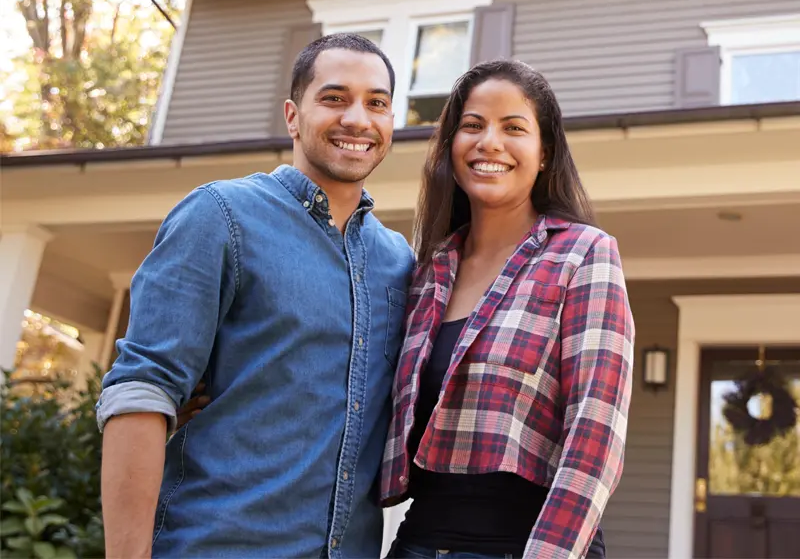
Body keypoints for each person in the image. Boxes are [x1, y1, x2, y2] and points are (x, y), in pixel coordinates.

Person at [96, 33, 415, 558]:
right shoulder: (220, 216)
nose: (358, 119)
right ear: (293, 116)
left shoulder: (398, 261)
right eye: (334, 98)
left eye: (376, 103)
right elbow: (142, 392)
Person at [379, 60, 634, 559]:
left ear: (544, 155)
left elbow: (595, 436)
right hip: (418, 542)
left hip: (526, 544)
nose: (489, 142)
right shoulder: (427, 272)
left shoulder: (584, 255)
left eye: (513, 127)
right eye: (472, 125)